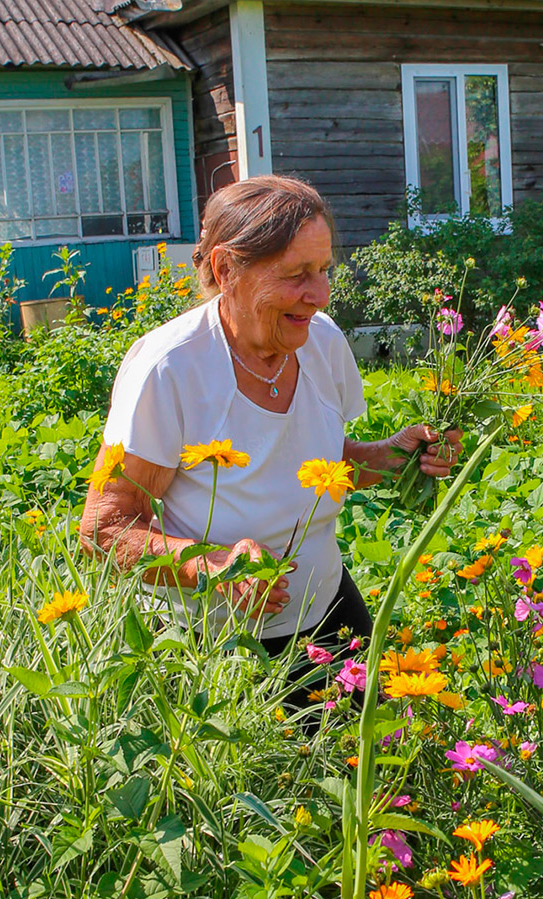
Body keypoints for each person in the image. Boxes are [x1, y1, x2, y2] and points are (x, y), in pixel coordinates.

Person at [80, 176, 458, 661]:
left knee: (376, 736)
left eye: (324, 270)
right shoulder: (169, 368)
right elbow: (103, 527)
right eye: (296, 274)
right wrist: (211, 567)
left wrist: (388, 458)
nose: (319, 294)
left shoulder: (321, 342)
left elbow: (316, 459)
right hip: (214, 647)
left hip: (330, 611)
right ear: (226, 269)